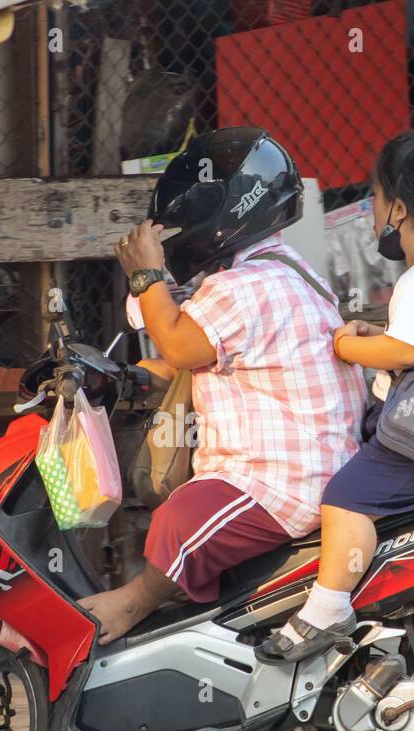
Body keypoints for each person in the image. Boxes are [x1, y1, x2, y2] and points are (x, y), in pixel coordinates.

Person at [78, 128, 366, 643]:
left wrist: (146, 276)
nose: (176, 237)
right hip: (311, 463)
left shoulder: (247, 287)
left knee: (180, 520)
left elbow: (182, 348)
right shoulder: (276, 268)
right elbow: (189, 348)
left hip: (283, 480)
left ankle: (133, 603)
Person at [256, 129, 414, 664]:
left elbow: (408, 353)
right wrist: (378, 339)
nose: (370, 207)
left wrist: (346, 343)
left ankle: (327, 608)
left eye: (374, 195)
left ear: (398, 209)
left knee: (344, 497)